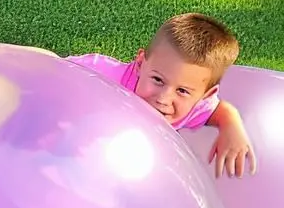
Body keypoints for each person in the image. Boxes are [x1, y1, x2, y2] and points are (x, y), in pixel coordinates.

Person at [65, 13, 255, 178]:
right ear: (140, 63)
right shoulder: (105, 75)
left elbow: (217, 110)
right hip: (71, 154)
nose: (163, 99)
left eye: (182, 91)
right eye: (157, 80)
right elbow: (51, 66)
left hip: (126, 175)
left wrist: (232, 126)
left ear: (205, 95)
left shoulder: (193, 108)